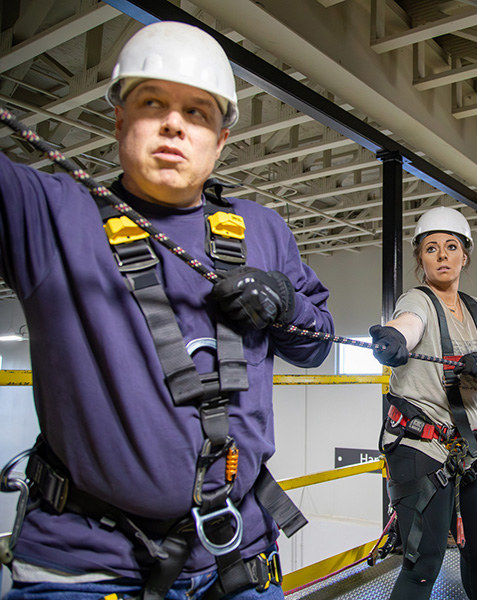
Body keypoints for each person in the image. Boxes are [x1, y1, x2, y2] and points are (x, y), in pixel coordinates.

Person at [0, 21, 334, 599]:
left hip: (238, 556)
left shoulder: (263, 229)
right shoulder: (50, 216)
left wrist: (282, 298)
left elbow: (317, 343)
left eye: (197, 112)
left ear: (220, 139)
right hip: (89, 565)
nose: (174, 123)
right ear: (120, 119)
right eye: (152, 103)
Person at [368, 206, 477, 600]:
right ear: (421, 258)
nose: (442, 255)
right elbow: (408, 324)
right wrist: (393, 340)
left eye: (451, 246)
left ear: (465, 254)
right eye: (431, 248)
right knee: (423, 560)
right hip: (421, 445)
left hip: (469, 450)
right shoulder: (416, 300)